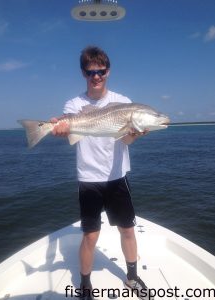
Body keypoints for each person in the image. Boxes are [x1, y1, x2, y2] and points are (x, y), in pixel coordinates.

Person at [51, 46, 150, 300]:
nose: (96, 76)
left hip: (117, 176)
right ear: (84, 73)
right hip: (88, 179)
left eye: (101, 71)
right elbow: (71, 134)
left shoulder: (123, 102)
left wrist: (135, 133)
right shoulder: (74, 104)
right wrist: (61, 129)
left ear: (108, 71)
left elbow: (125, 141)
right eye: (90, 72)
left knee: (127, 229)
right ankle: (85, 285)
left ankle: (132, 277)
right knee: (90, 235)